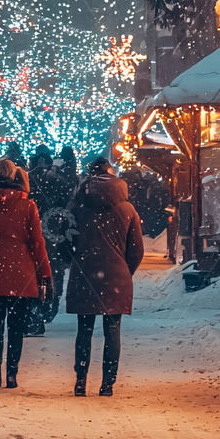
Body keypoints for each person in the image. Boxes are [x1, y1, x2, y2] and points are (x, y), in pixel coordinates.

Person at [0, 158, 52, 389]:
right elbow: (37, 243)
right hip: (21, 274)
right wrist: (45, 273)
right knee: (16, 327)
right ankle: (12, 374)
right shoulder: (27, 205)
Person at [66, 157, 144, 397]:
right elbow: (137, 249)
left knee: (84, 329)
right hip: (115, 276)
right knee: (112, 329)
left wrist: (76, 261)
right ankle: (107, 383)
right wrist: (123, 271)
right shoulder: (127, 208)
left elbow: (66, 239)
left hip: (85, 274)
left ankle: (81, 379)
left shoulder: (78, 206)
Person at [30, 146, 66, 325]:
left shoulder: (28, 179)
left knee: (36, 271)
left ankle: (37, 306)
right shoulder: (59, 181)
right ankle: (51, 301)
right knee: (54, 270)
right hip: (54, 230)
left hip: (34, 231)